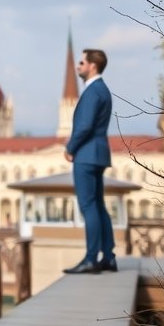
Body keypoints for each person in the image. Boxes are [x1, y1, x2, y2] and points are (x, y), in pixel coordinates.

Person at [62, 48, 115, 274]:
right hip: (98, 153)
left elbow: (85, 126)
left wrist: (70, 147)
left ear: (92, 65)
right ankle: (109, 257)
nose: (78, 66)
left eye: (82, 62)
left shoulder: (93, 91)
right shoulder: (103, 90)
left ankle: (92, 258)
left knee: (88, 206)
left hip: (85, 155)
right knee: (99, 206)